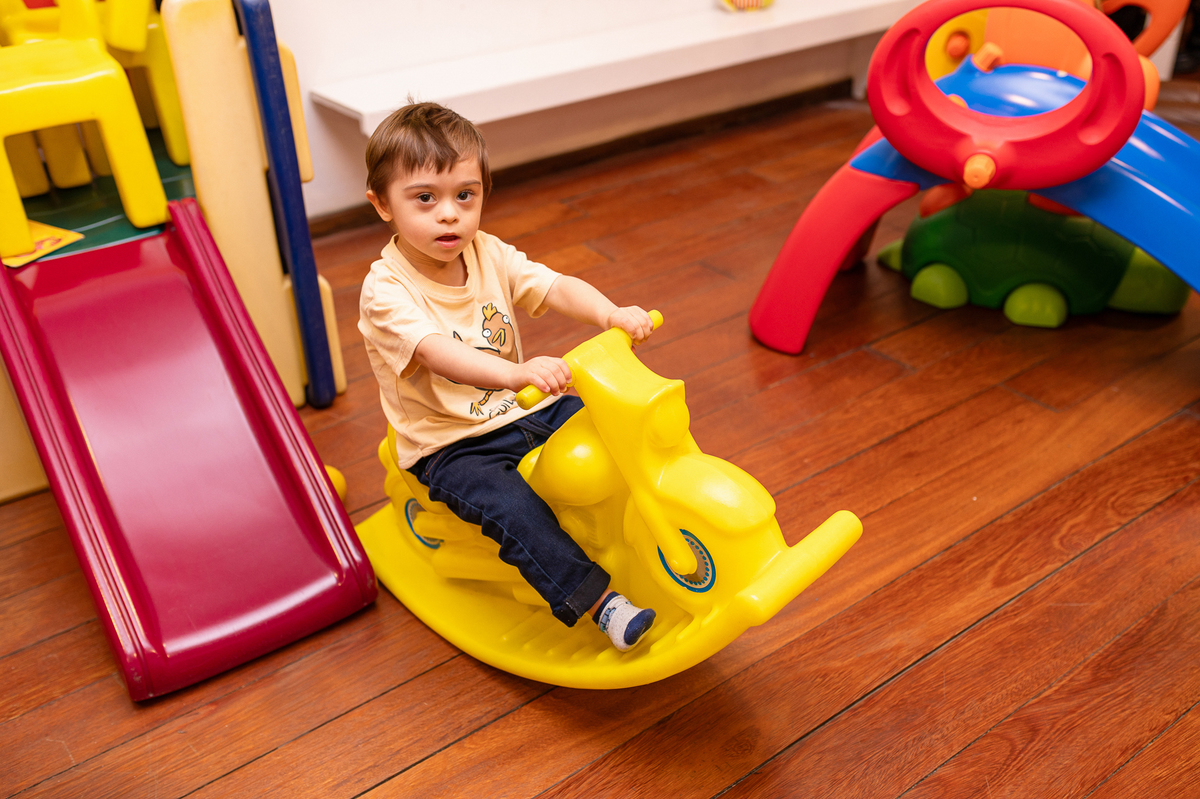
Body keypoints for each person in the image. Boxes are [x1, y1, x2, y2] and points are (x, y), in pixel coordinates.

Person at [358, 101, 657, 651]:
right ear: (382, 204)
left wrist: (609, 313)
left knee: (617, 428)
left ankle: (647, 530)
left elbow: (554, 285)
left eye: (465, 195)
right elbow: (438, 353)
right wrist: (516, 372)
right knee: (513, 508)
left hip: (526, 406)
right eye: (424, 198)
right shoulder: (386, 291)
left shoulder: (487, 251)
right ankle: (601, 603)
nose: (449, 215)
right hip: (451, 443)